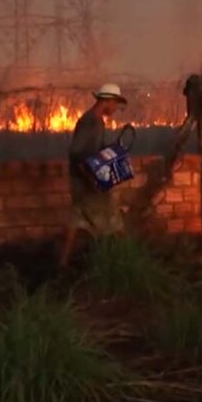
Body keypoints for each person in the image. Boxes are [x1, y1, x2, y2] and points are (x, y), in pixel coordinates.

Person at [58, 83, 127, 268]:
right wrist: (92, 180)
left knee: (76, 220)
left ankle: (62, 264)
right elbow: (77, 153)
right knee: (112, 220)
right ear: (106, 100)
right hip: (85, 182)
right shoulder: (91, 122)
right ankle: (124, 260)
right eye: (115, 104)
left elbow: (94, 150)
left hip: (81, 181)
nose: (115, 108)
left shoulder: (95, 121)